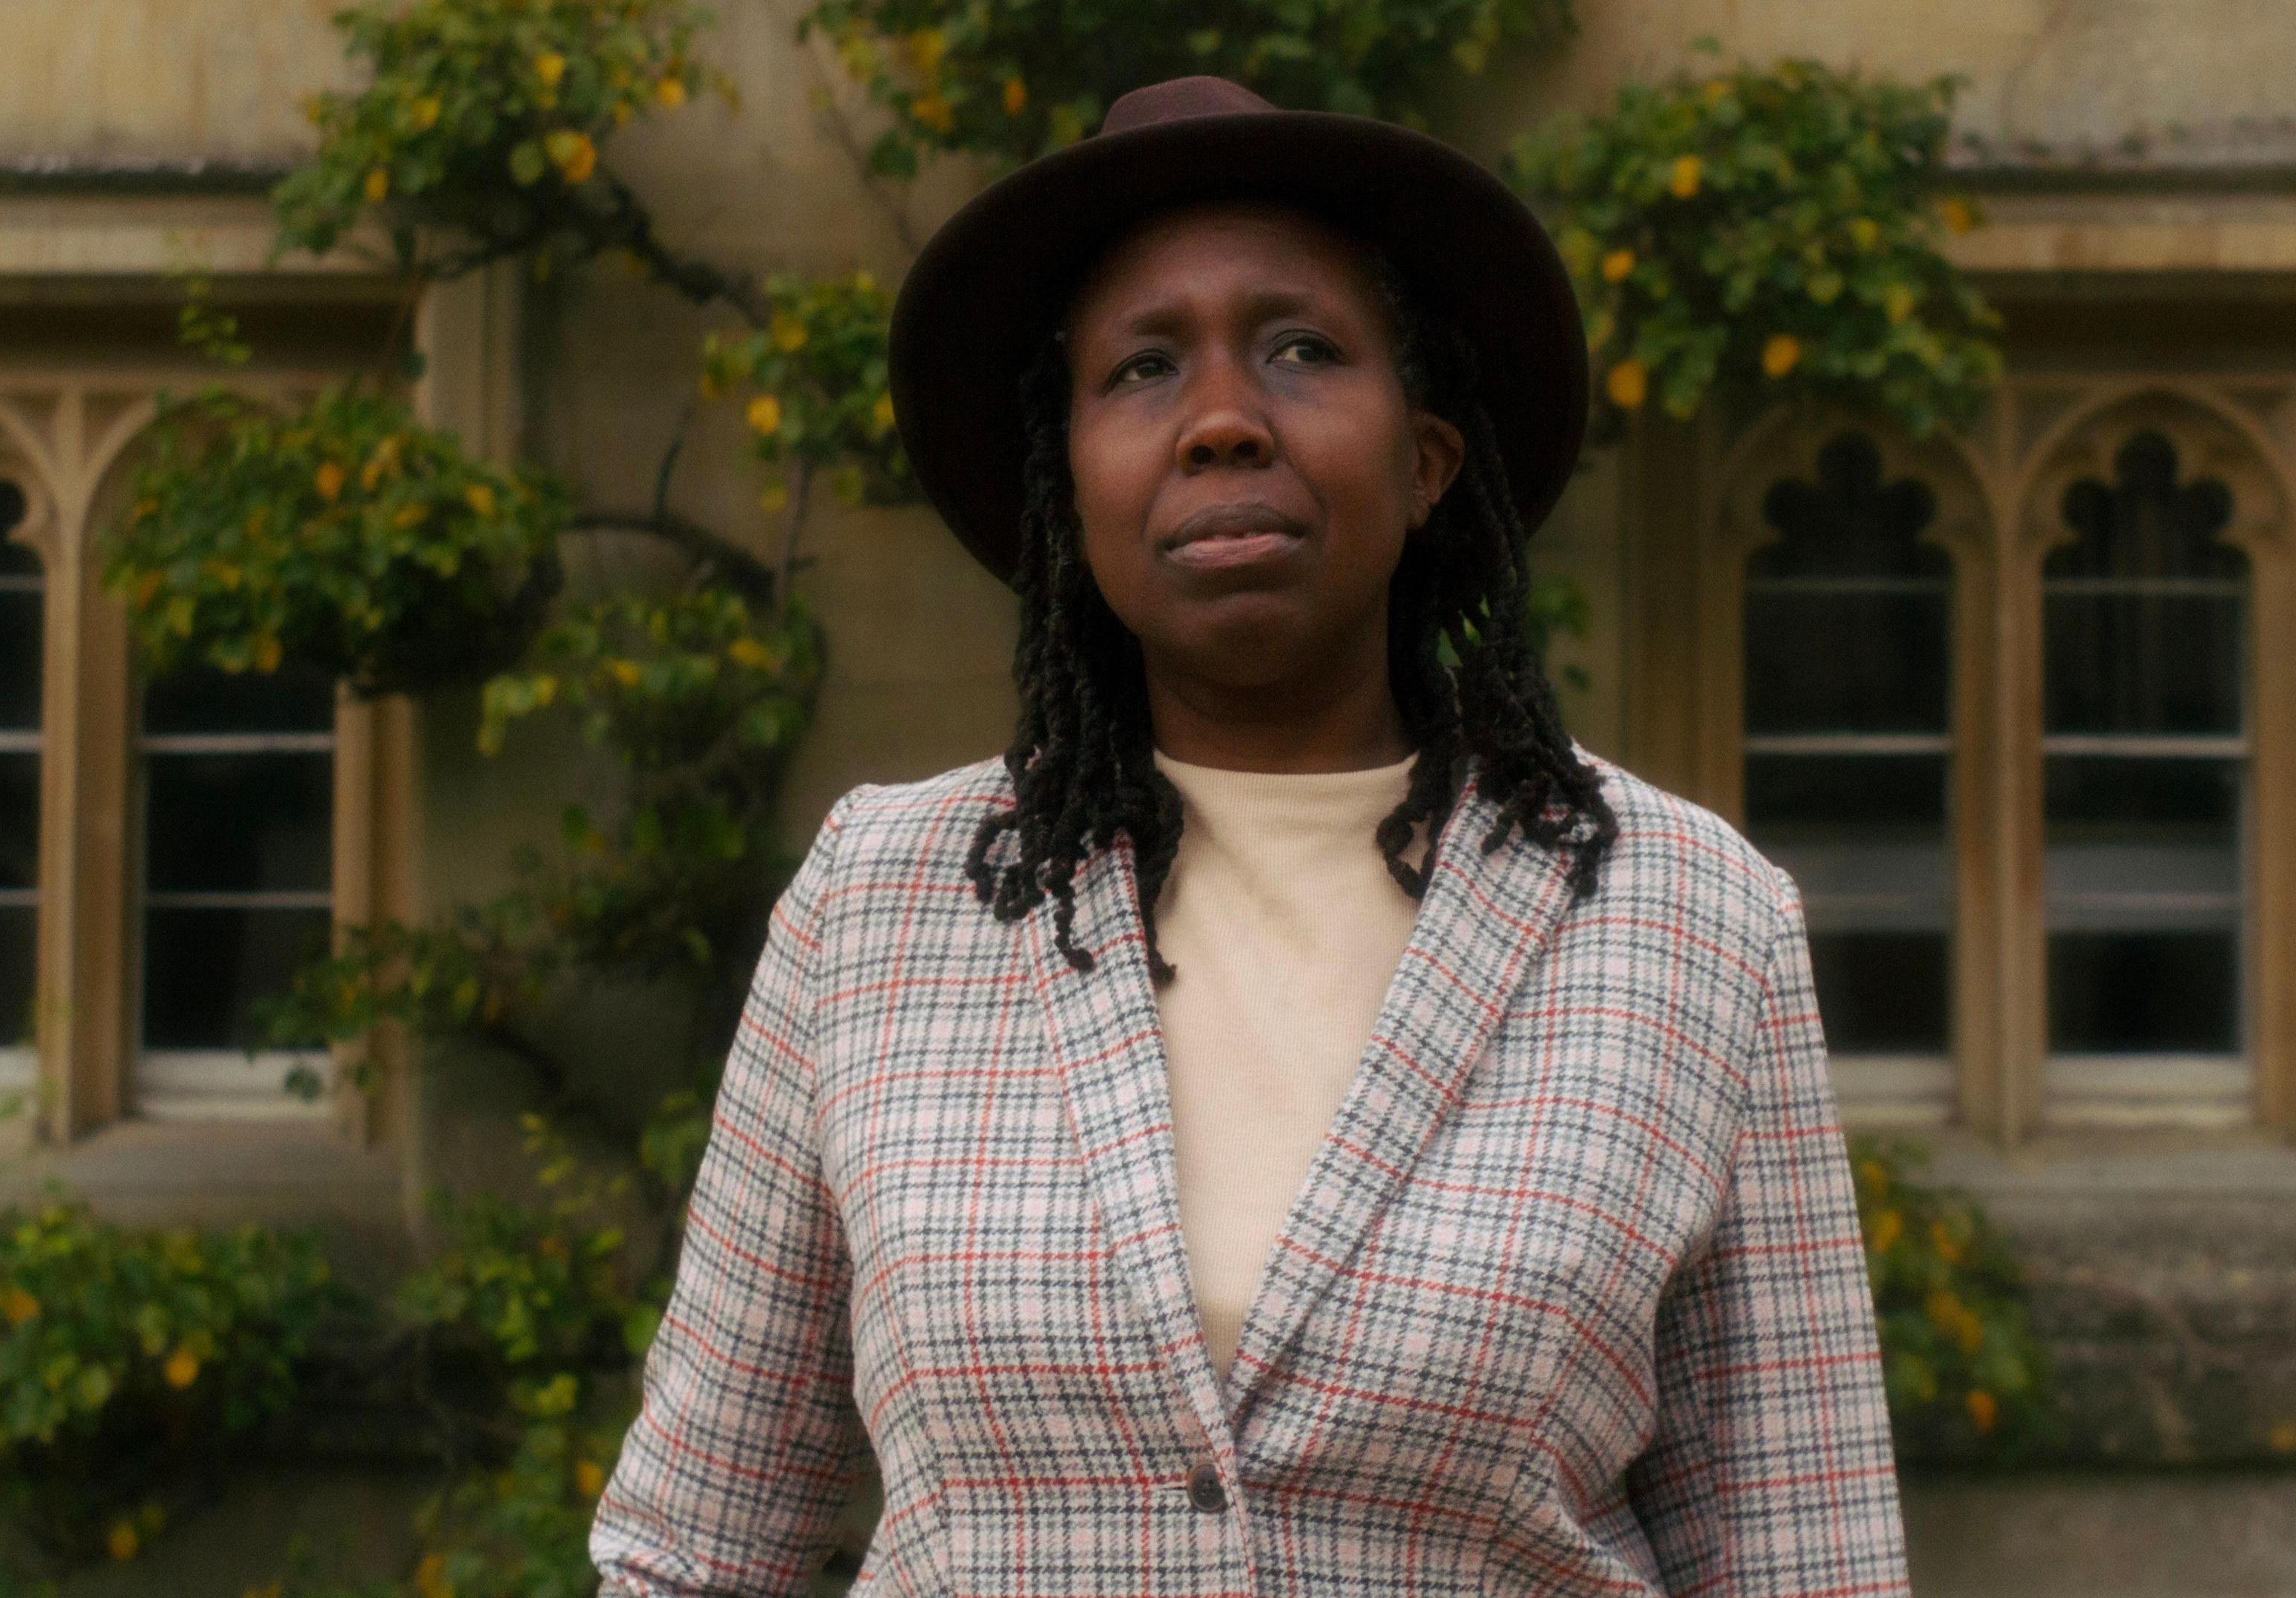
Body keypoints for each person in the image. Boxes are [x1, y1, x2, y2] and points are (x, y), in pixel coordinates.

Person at [592, 75, 1905, 1597]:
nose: (1223, 420)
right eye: (1142, 371)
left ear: (1426, 463)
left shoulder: (1688, 919)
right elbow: (698, 1546)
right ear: (1068, 489)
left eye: (1300, 350)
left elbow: (1806, 1559)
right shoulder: (880, 904)